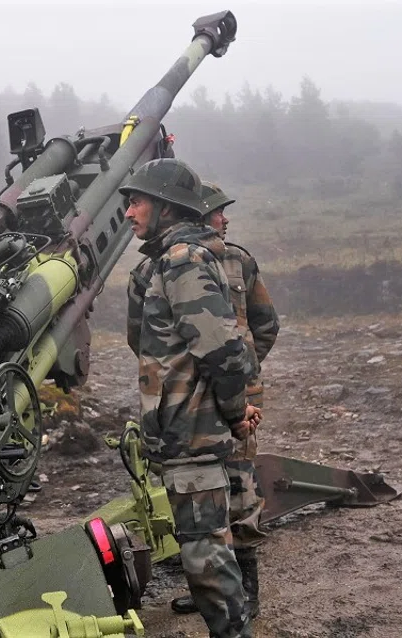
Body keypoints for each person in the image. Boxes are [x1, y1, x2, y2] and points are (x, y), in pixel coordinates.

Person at [120, 159, 257, 638]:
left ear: (165, 205)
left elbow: (223, 352)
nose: (128, 212)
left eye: (136, 201)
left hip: (193, 432)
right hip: (184, 430)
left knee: (206, 559)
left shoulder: (182, 260)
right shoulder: (171, 260)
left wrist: (236, 415)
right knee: (205, 551)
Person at [139, 182, 280, 619]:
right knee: (202, 499)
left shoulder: (239, 261)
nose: (224, 218)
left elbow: (265, 325)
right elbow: (142, 337)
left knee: (240, 490)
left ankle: (244, 594)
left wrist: (243, 374)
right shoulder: (157, 266)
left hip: (237, 397)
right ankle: (214, 596)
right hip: (191, 401)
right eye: (218, 211)